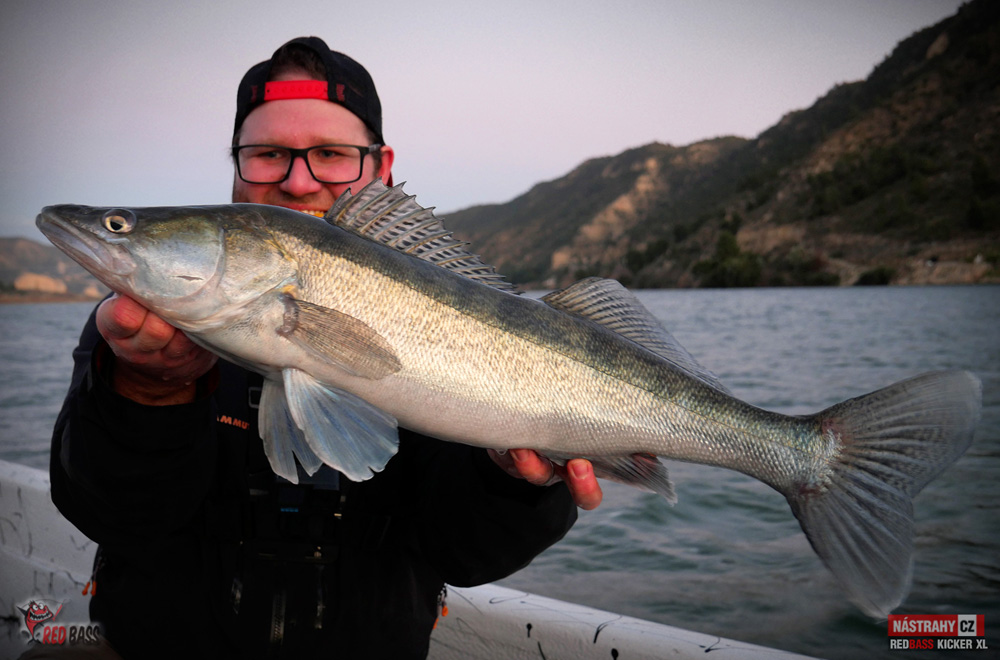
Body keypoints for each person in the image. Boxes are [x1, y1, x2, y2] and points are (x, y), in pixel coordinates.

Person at [48, 36, 602, 659]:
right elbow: (109, 516)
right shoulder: (134, 334)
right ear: (235, 165)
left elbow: (465, 555)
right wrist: (147, 391)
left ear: (381, 167)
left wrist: (514, 484)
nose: (298, 180)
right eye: (268, 154)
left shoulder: (452, 313)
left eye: (331, 155)